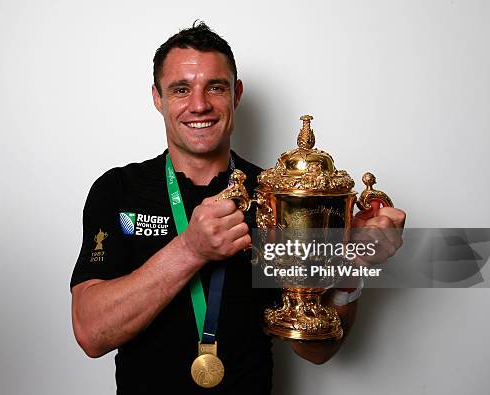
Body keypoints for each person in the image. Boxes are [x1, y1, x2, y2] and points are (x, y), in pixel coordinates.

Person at [70, 22, 406, 394]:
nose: (199, 105)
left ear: (236, 94)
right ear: (157, 97)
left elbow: (317, 351)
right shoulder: (118, 190)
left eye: (216, 87)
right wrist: (191, 249)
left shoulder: (277, 195)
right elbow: (90, 333)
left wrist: (350, 263)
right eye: (181, 89)